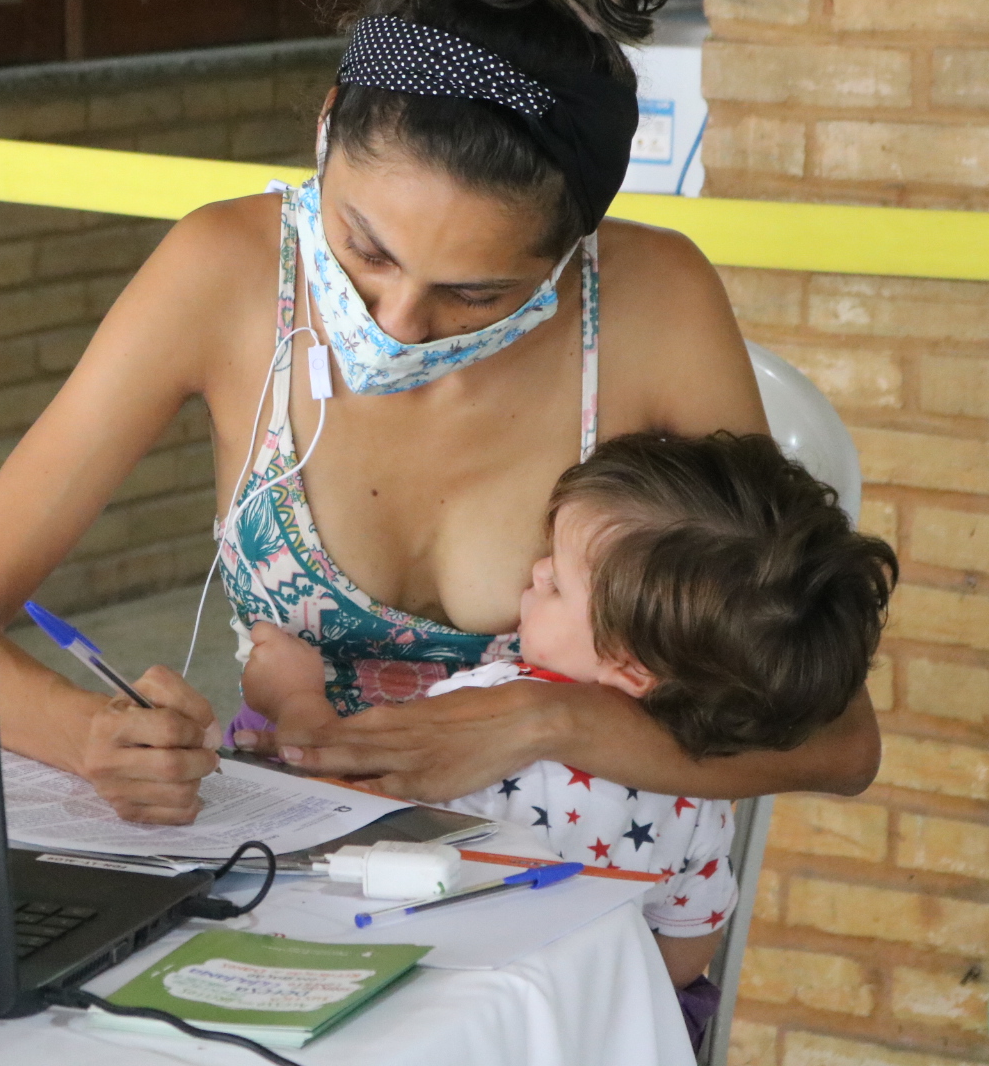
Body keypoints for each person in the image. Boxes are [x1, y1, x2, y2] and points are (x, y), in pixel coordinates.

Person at [0, 0, 880, 831]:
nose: (397, 318)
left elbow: (839, 737)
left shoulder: (655, 301)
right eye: (364, 248)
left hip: (575, 905)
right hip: (291, 866)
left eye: (476, 292)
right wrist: (87, 735)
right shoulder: (224, 272)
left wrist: (544, 718)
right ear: (323, 132)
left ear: (574, 250)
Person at [239, 431, 895, 1039]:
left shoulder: (484, 713)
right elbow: (686, 953)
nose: (536, 572)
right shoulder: (701, 793)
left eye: (557, 581)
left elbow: (337, 821)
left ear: (632, 668)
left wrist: (294, 698)